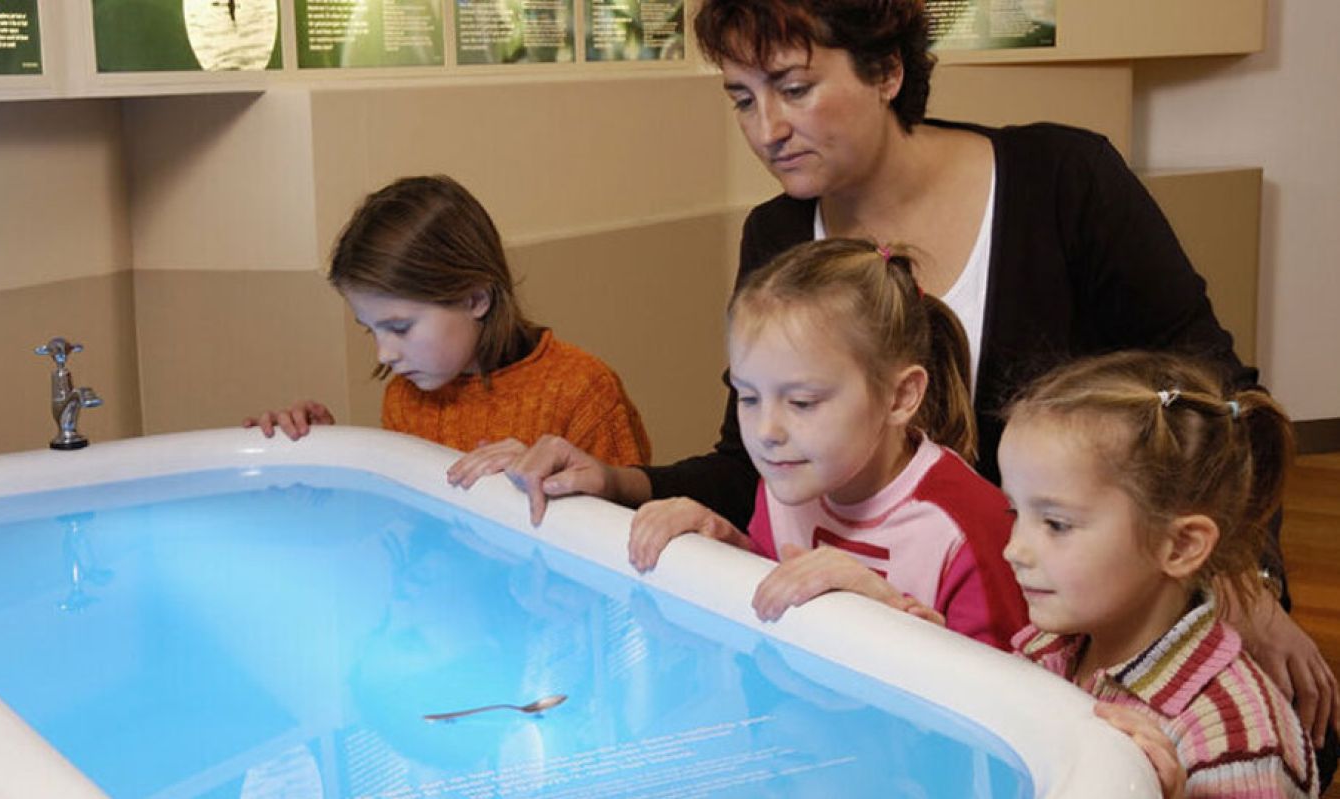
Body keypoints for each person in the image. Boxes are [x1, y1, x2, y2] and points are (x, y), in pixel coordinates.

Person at [496, 0, 1337, 771]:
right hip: (962, 648)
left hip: (1104, 604)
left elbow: (1214, 400)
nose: (767, 128)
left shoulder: (1063, 181)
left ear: (886, 71)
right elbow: (752, 459)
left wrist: (1243, 584)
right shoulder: (779, 231)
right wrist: (619, 481)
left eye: (792, 87)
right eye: (742, 98)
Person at [628, 238, 1026, 648]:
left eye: (802, 402)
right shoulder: (789, 477)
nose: (766, 432)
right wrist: (723, 543)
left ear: (901, 396)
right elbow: (774, 600)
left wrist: (882, 608)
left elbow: (1008, 696)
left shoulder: (970, 531)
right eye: (748, 397)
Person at [1000, 351, 1319, 798]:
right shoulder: (1043, 649)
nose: (1013, 549)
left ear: (1181, 545)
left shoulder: (1241, 739)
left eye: (1056, 524)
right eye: (1015, 511)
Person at [244, 175, 651, 476]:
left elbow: (627, 551)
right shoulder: (405, 399)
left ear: (475, 298)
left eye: (400, 328)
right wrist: (322, 459)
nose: (384, 354)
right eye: (372, 330)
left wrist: (535, 483)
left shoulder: (583, 393)